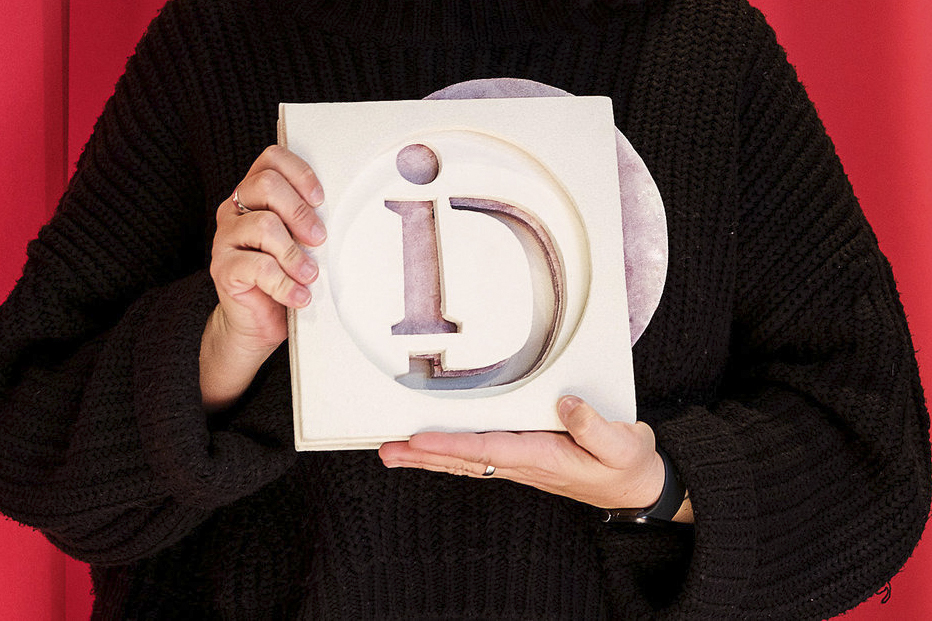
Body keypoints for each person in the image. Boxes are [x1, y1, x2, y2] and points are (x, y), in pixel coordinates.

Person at [0, 0, 928, 617]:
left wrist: (663, 487)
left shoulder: (705, 48)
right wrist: (221, 346)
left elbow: (874, 459)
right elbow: (29, 435)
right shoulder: (219, 39)